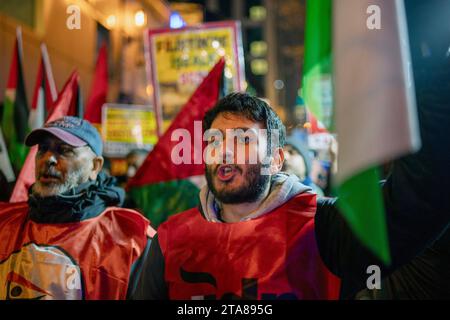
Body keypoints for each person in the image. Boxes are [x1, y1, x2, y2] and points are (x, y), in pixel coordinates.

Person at [131, 92, 450, 300]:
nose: (224, 150)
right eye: (214, 140)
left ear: (275, 159)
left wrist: (429, 76)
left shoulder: (321, 225)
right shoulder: (170, 240)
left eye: (242, 139)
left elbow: (421, 197)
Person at [0, 116, 154, 300]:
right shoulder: (4, 222)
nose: (48, 159)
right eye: (42, 149)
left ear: (95, 167)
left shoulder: (131, 237)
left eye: (64, 150)